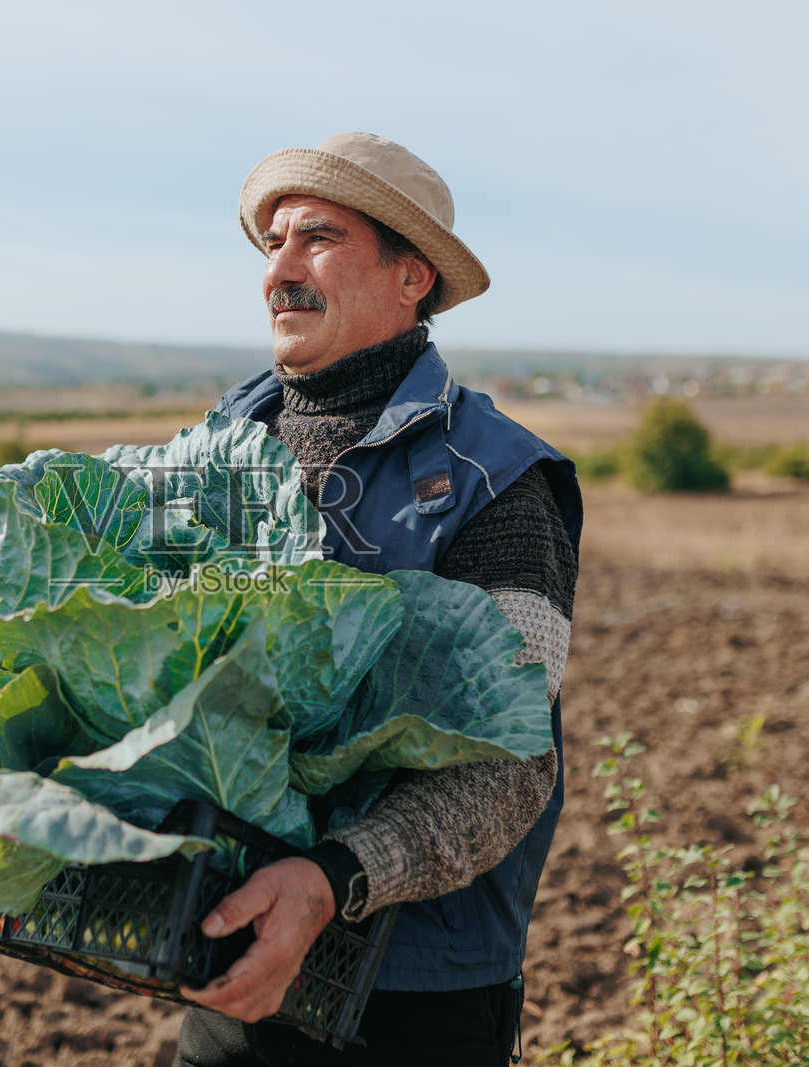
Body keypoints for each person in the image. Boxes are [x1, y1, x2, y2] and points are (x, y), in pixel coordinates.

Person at [173, 132, 583, 1066]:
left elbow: (508, 766)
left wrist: (331, 879)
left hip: (412, 995)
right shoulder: (217, 449)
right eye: (273, 241)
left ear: (411, 276)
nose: (280, 268)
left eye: (318, 238)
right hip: (228, 964)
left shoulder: (497, 481)